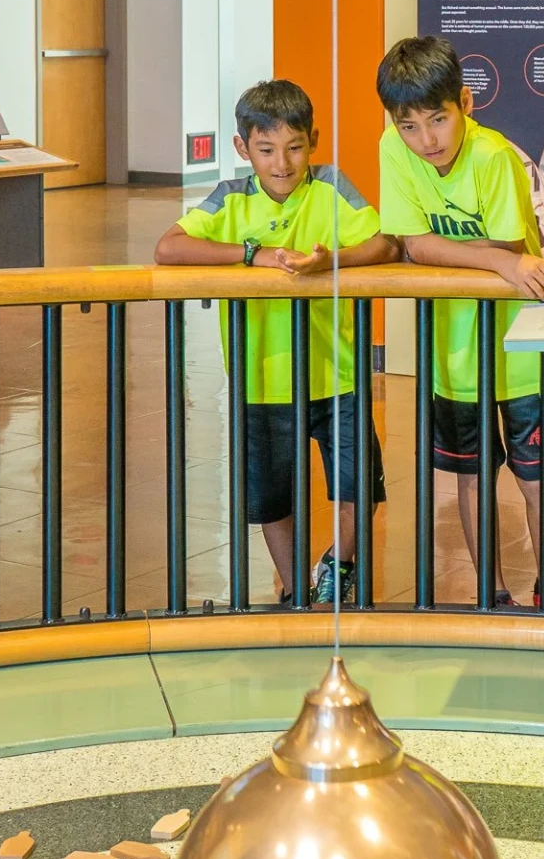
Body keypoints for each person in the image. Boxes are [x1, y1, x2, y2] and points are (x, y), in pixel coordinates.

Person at [155, 78, 396, 604]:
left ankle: (340, 560)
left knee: (359, 488)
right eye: (266, 150)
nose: (282, 163)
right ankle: (296, 590)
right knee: (271, 500)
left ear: (313, 141)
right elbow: (169, 248)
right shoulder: (230, 199)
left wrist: (330, 261)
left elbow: (384, 243)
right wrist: (251, 254)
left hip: (339, 376)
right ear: (244, 149)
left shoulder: (331, 186)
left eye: (294, 148)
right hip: (260, 381)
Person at [374, 35, 544, 605]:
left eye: (438, 119)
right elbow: (414, 243)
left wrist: (474, 251)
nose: (426, 140)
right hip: (453, 357)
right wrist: (489, 257)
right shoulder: (394, 148)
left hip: (522, 350)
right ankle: (491, 592)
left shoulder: (492, 157)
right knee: (471, 475)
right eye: (409, 126)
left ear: (466, 103)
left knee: (536, 477)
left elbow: (510, 243)